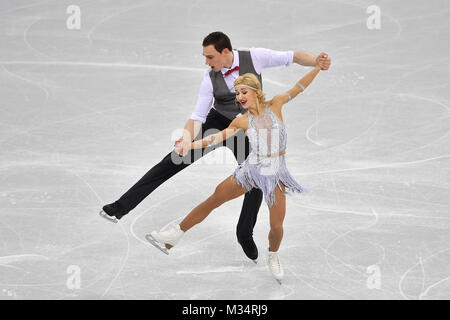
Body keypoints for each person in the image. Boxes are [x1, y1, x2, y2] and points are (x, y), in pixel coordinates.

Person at [100, 31, 331, 262]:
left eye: (210, 57)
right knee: (173, 160)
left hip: (247, 127)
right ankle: (120, 207)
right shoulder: (210, 77)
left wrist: (316, 62)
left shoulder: (255, 57)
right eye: (205, 57)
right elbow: (198, 115)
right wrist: (186, 140)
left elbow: (292, 57)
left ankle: (244, 233)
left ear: (226, 52)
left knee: (257, 177)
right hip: (219, 122)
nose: (207, 62)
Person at [147, 65, 322, 284]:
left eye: (243, 92)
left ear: (256, 92)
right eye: (237, 94)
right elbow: (214, 138)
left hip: (276, 174)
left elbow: (299, 87)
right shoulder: (242, 120)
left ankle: (273, 254)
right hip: (250, 171)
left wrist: (317, 67)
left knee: (276, 226)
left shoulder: (276, 104)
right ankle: (175, 234)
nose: (239, 97)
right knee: (215, 198)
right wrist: (188, 146)